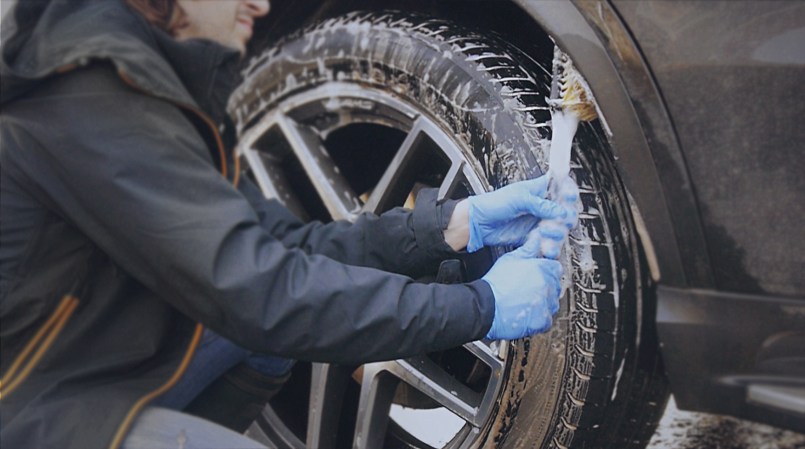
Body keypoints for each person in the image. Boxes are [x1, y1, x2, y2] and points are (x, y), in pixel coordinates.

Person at [0, 1, 578, 448]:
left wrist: (452, 227)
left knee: (253, 329)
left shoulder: (143, 93)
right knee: (259, 316)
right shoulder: (91, 101)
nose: (260, 3)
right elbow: (264, 293)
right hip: (29, 416)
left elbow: (286, 250)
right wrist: (480, 307)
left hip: (91, 378)